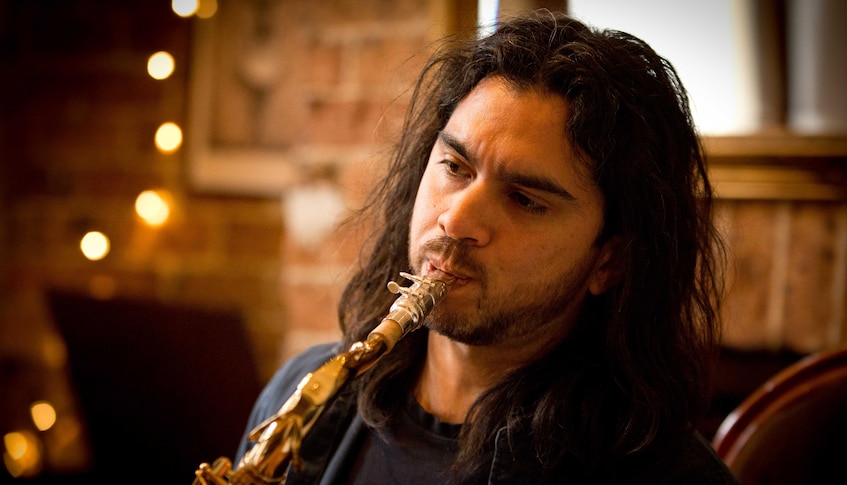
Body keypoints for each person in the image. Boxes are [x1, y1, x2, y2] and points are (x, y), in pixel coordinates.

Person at [234, 10, 739, 484]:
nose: (455, 219)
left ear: (610, 260)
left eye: (523, 199)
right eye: (455, 167)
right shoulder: (300, 394)